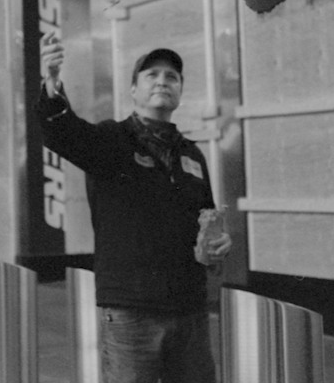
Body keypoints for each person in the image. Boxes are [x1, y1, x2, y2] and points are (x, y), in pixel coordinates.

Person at [38, 35, 231, 383]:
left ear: (180, 91)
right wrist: (52, 82)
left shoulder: (192, 155)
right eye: (151, 75)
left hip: (189, 307)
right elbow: (61, 133)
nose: (162, 81)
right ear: (133, 90)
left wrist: (218, 244)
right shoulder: (110, 140)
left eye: (172, 77)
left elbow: (206, 218)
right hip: (131, 308)